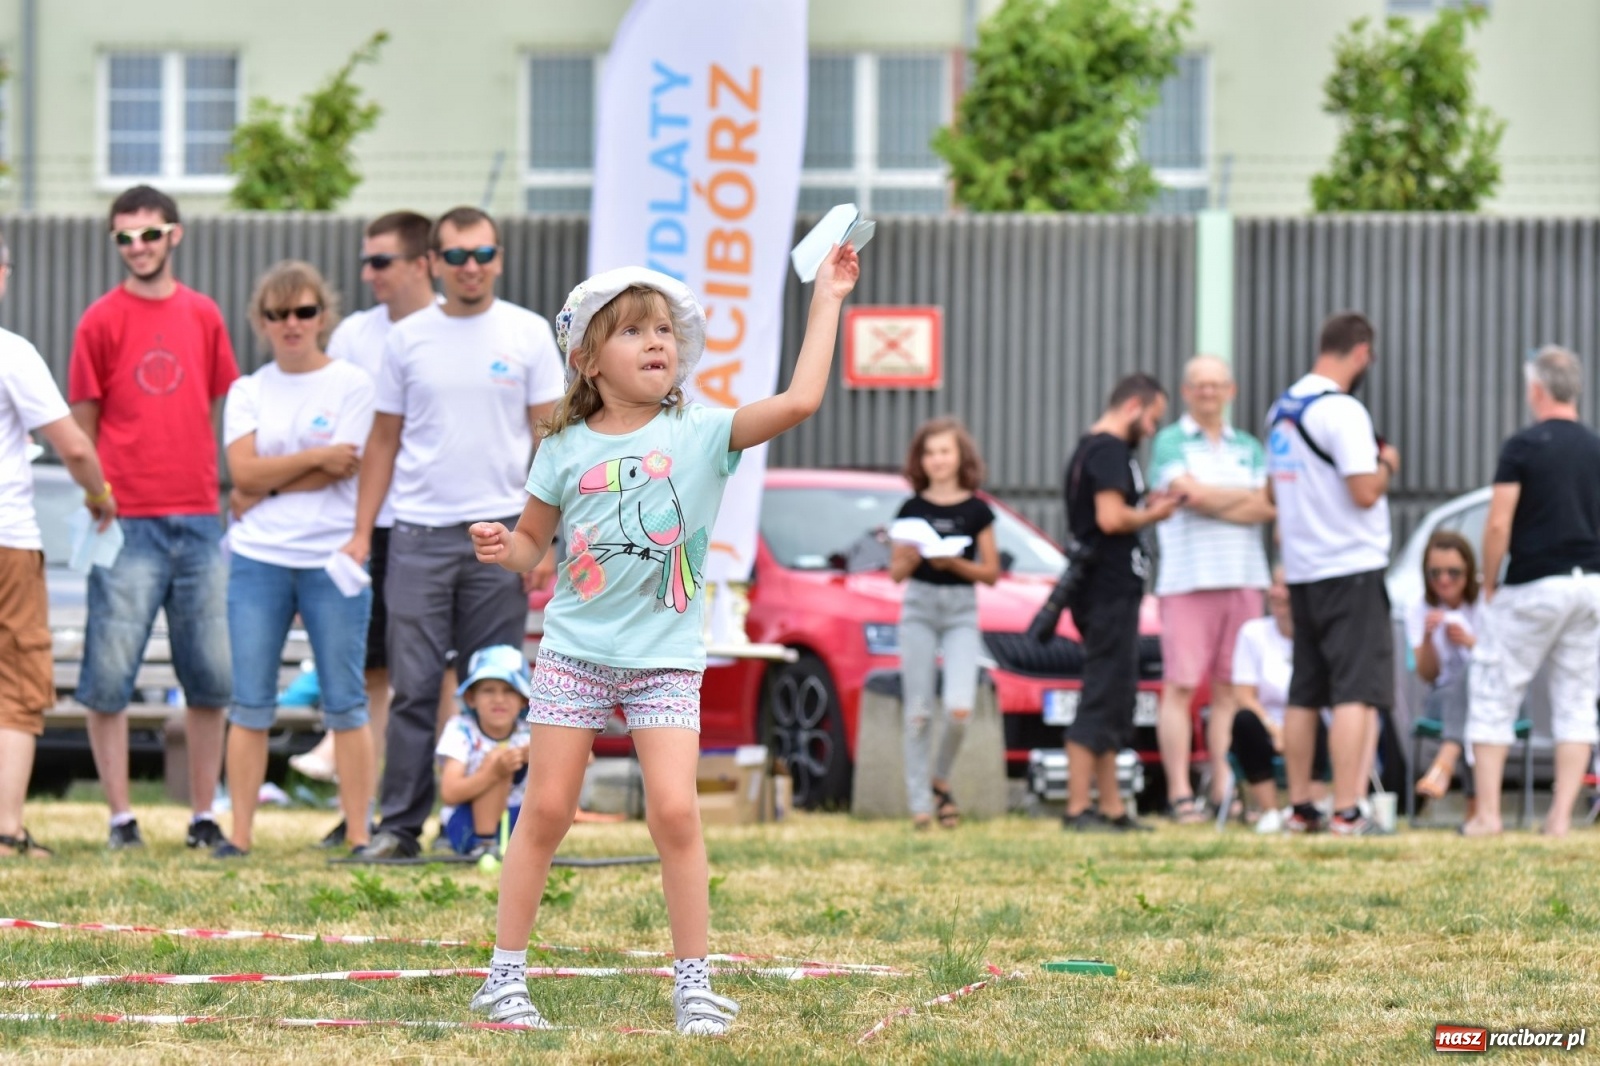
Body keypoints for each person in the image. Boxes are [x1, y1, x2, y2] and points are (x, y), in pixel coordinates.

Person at [465, 246, 859, 1033]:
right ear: (587, 361)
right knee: (545, 812)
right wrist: (500, 546)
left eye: (664, 331)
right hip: (574, 655)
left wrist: (828, 299)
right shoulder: (563, 446)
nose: (658, 342)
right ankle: (503, 980)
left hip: (664, 664)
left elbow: (801, 401)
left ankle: (694, 985)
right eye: (634, 332)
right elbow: (530, 548)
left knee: (675, 814)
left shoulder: (707, 431)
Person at [341, 207, 565, 860]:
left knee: (496, 692)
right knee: (412, 687)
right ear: (434, 262)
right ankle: (401, 825)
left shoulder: (526, 333)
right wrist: (363, 533)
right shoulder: (407, 339)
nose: (471, 267)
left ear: (498, 258)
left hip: (502, 537)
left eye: (483, 253)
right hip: (416, 535)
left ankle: (483, 834)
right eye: (457, 255)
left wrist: (544, 538)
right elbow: (382, 440)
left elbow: (551, 443)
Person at [68, 185, 239, 850]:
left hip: (198, 518)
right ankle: (120, 818)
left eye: (149, 234)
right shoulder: (98, 320)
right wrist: (100, 498)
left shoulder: (203, 313)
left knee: (210, 676)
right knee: (108, 676)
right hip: (124, 521)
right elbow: (82, 424)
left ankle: (203, 816)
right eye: (124, 237)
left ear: (176, 235)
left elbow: (212, 406)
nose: (137, 247)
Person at [212, 261, 376, 859]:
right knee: (250, 700)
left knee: (346, 701)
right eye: (278, 314)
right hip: (257, 558)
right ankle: (240, 835)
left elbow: (345, 464)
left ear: (322, 317)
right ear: (261, 321)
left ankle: (360, 833)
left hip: (332, 557)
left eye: (303, 311)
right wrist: (315, 460)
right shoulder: (248, 388)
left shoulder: (353, 383)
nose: (291, 324)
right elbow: (242, 471)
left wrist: (265, 485)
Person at [285, 210, 435, 850]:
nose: (367, 272)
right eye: (366, 260)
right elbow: (336, 427)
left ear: (420, 263)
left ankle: (451, 812)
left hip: (434, 524)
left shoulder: (452, 328)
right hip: (367, 527)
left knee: (437, 676)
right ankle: (371, 817)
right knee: (372, 673)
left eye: (380, 261)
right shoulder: (353, 335)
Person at [0, 230, 116, 858]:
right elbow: (72, 445)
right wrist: (99, 497)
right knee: (17, 680)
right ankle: (6, 830)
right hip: (6, 540)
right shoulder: (11, 353)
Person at [1265, 310, 1399, 836]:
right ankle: (1347, 810)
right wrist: (1388, 463)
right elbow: (1364, 491)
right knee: (1355, 692)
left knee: (1305, 690)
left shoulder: (1283, 409)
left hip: (1302, 569)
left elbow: (1274, 494)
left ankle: (1301, 807)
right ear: (1361, 351)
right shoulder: (1343, 411)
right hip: (1350, 565)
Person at [1465, 346, 1600, 838]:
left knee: (1494, 693)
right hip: (1590, 586)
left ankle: (1488, 816)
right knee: (1576, 701)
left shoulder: (1522, 446)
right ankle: (1560, 819)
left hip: (1533, 584)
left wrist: (1488, 581)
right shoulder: (1595, 446)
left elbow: (1498, 522)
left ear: (1536, 390)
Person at [1149, 355, 1274, 822]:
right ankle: (1181, 792)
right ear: (1186, 392)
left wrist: (1205, 500)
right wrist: (1229, 499)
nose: (1208, 392)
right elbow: (1188, 494)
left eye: (1216, 384)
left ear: (1231, 391)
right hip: (1188, 578)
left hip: (1243, 576)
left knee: (1229, 690)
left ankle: (1224, 789)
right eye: (1199, 385)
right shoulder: (1170, 442)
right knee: (1180, 686)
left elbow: (1268, 506)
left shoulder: (1248, 446)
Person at [1061, 374, 1180, 833]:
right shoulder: (1109, 451)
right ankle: (1077, 808)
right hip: (1107, 590)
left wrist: (1145, 502)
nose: (1152, 429)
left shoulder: (1096, 450)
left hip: (1110, 590)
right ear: (1134, 405)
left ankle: (1111, 808)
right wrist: (1156, 513)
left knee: (1115, 699)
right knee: (1100, 694)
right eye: (1153, 418)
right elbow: (1111, 518)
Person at [888, 417, 999, 830]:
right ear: (921, 459)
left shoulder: (977, 509)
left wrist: (953, 562)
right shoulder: (911, 509)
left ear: (960, 457)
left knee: (958, 709)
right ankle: (919, 805)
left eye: (945, 451)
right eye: (929, 453)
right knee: (917, 711)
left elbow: (990, 573)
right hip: (918, 607)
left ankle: (940, 778)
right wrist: (914, 556)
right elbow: (895, 574)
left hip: (959, 611)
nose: (937, 460)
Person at [1229, 565, 1329, 833]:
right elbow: (1243, 695)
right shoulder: (1253, 633)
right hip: (1267, 725)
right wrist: (1277, 730)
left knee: (1313, 717)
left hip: (1311, 724)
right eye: (1274, 584)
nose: (1276, 593)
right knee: (1244, 721)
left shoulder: (1322, 636)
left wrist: (1293, 732)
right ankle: (1270, 811)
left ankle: (1310, 806)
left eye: (1285, 586)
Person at [1409, 530, 1482, 815]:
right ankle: (1476, 809)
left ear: (1469, 571)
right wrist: (1428, 639)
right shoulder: (1420, 609)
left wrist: (1470, 642)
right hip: (1441, 700)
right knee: (1458, 695)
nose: (1443, 580)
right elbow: (1427, 675)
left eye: (1453, 572)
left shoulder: (1486, 603)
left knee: (1472, 677)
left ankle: (1445, 761)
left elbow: (1505, 663)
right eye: (1435, 573)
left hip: (1491, 698)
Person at [437, 645, 533, 857]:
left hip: (520, 820)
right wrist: (492, 772)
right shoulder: (461, 729)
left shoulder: (531, 730)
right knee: (498, 758)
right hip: (466, 822)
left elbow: (585, 759)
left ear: (523, 699)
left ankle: (529, 848)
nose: (499, 699)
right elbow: (449, 793)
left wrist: (538, 754)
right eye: (488, 690)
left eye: (509, 690)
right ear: (471, 698)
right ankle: (485, 844)